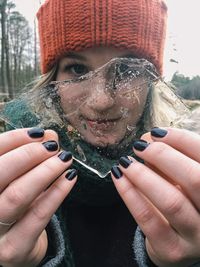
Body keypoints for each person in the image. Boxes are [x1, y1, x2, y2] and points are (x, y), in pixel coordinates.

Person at [0, 0, 200, 266]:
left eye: (127, 70)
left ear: (153, 83)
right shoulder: (13, 171)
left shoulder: (184, 176)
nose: (101, 101)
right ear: (52, 80)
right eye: (78, 69)